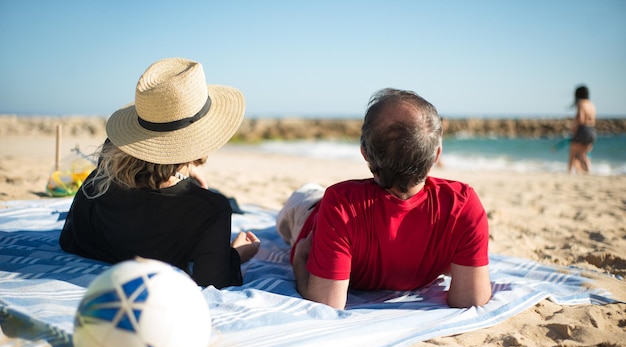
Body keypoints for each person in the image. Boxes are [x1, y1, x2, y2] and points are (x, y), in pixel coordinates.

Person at [277, 88, 491, 310]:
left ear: (364, 153)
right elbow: (471, 300)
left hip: (315, 212)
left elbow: (326, 303)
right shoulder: (463, 204)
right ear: (437, 155)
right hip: (316, 210)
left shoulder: (341, 204)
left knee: (302, 200)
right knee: (305, 199)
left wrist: (300, 260)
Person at [60, 57, 260, 289]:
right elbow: (212, 281)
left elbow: (69, 240)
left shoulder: (102, 179)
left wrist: (183, 169)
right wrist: (236, 255)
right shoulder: (210, 209)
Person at [568, 85, 596, 174]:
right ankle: (583, 171)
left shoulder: (581, 103)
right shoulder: (591, 104)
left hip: (583, 130)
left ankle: (569, 171)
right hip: (592, 130)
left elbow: (581, 119)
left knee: (574, 152)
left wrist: (574, 127)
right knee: (583, 154)